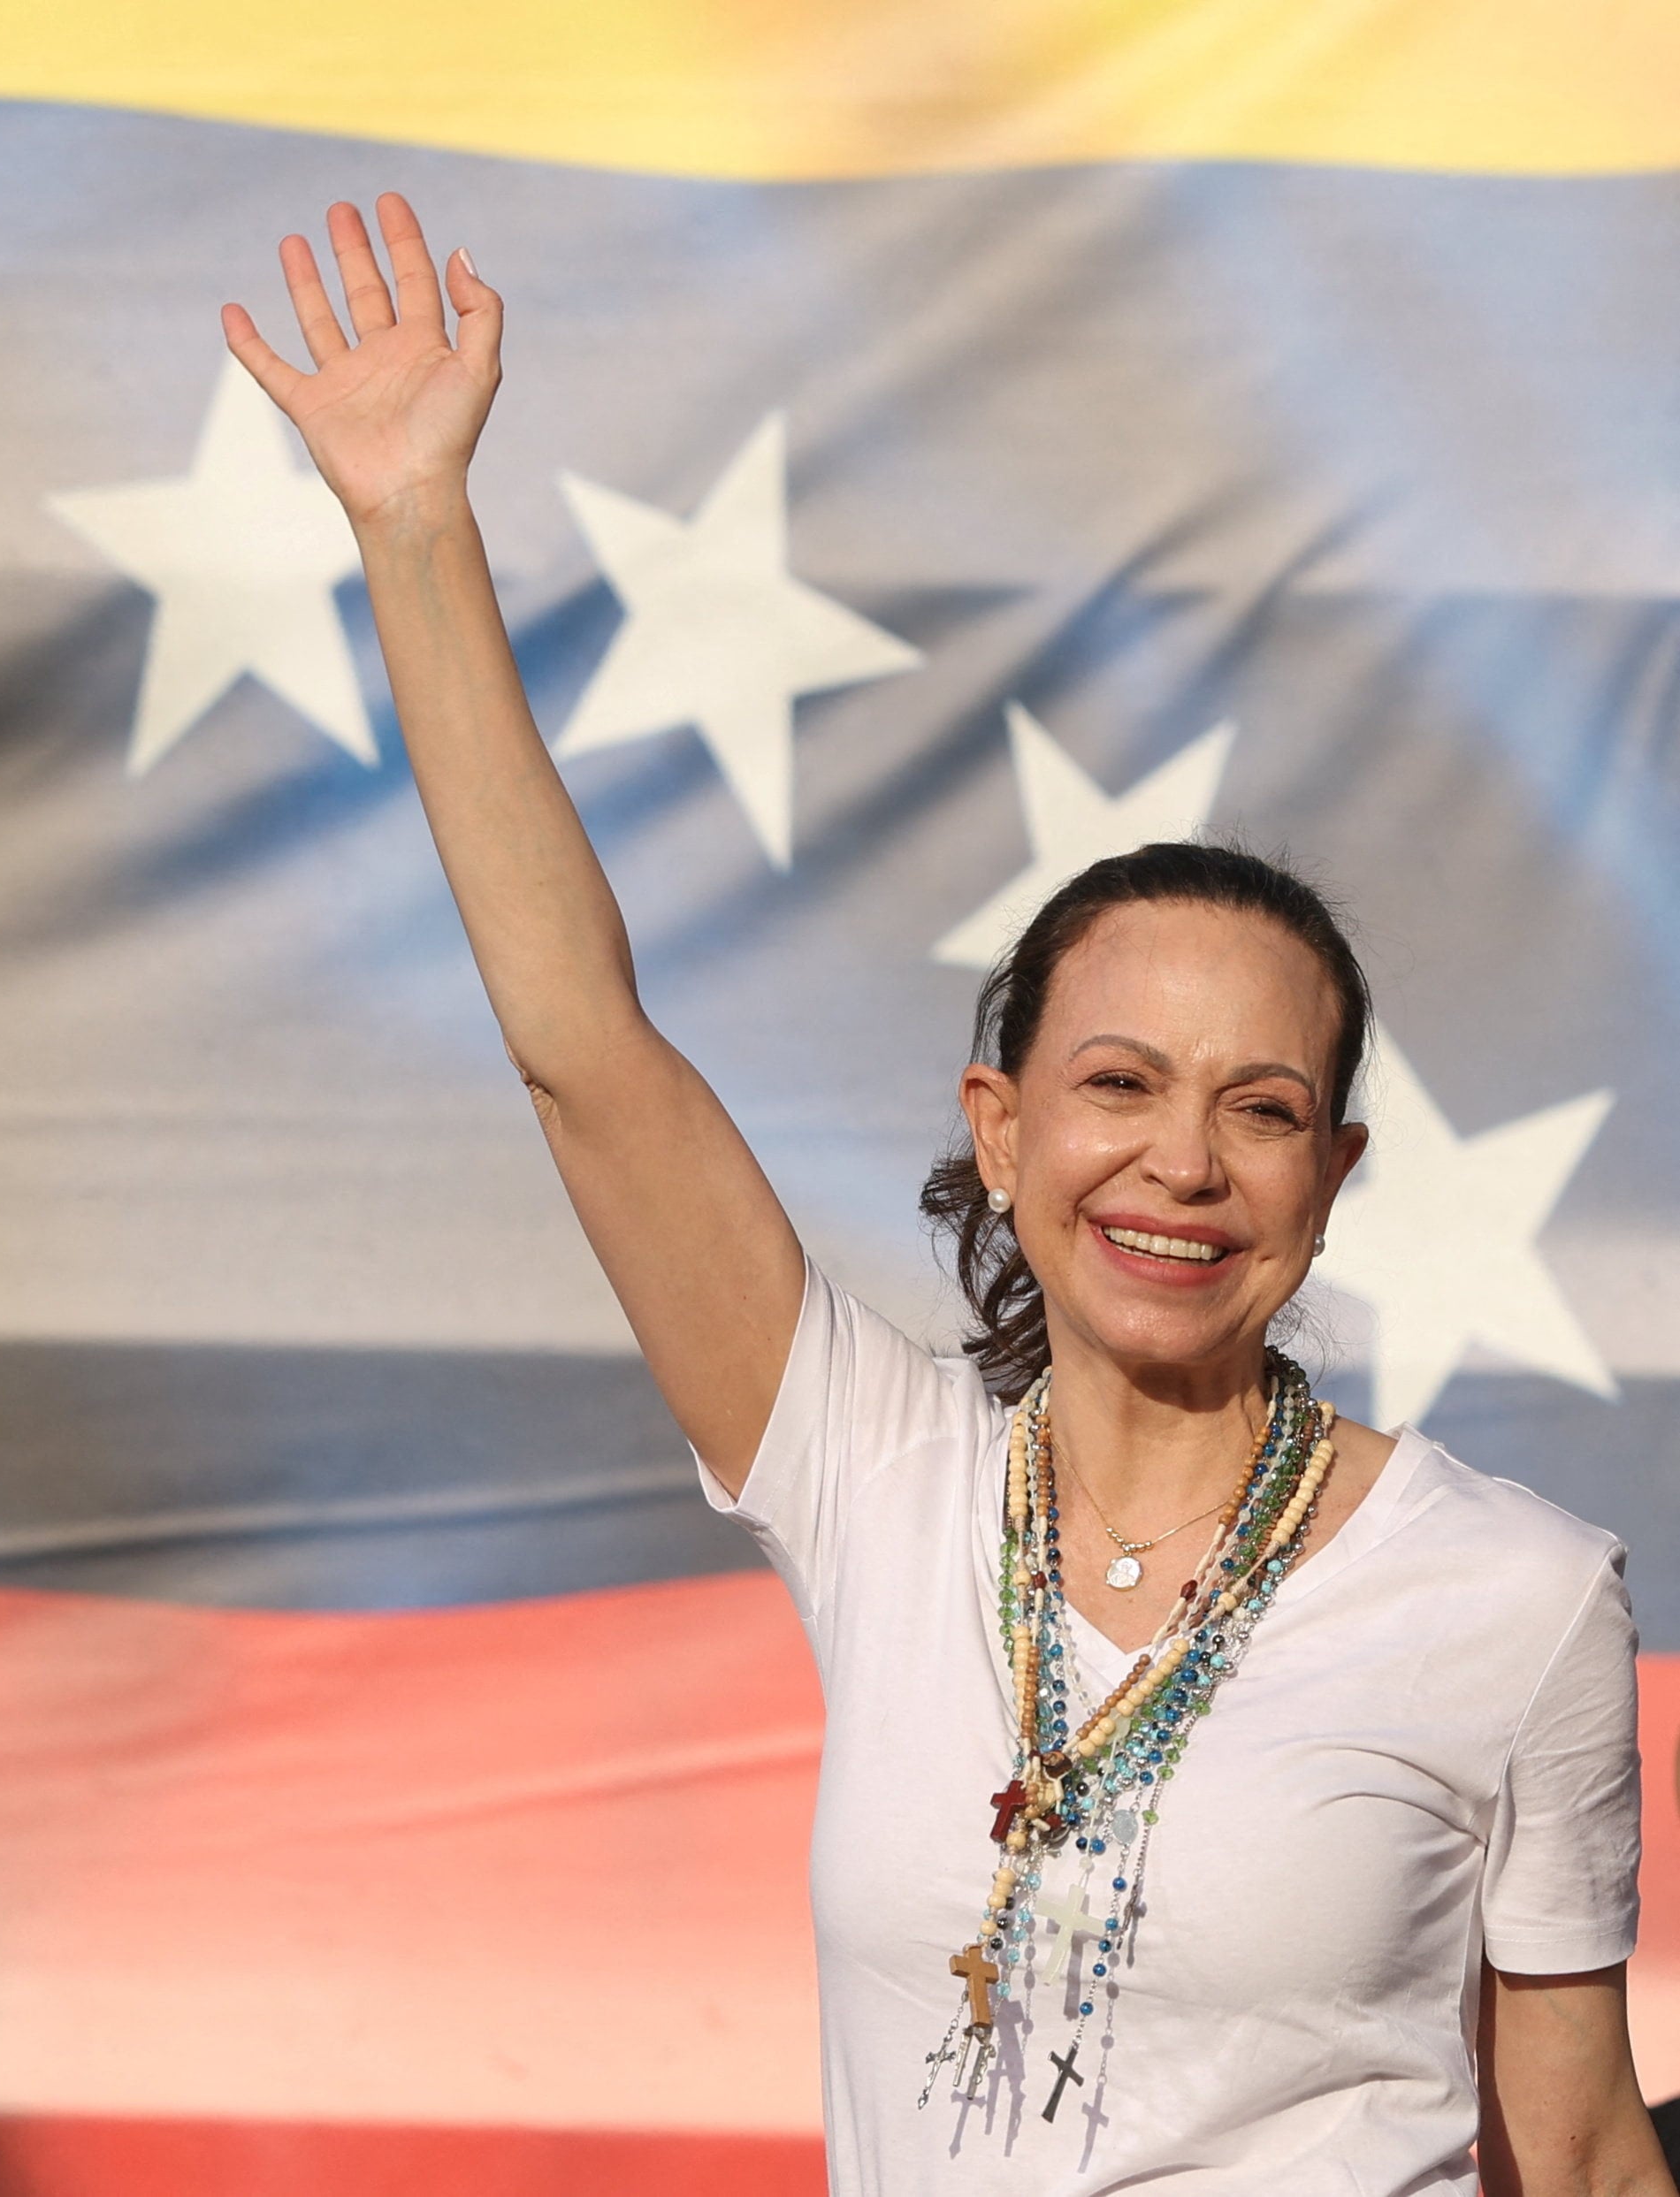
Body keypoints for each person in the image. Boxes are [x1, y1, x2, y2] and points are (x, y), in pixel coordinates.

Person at [224, 192, 1670, 2195]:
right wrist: (414, 530)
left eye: (1260, 1109)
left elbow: (1582, 2154)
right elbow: (587, 1055)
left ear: (1331, 1179)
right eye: (1118, 1085)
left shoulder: (1512, 1598)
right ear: (1001, 1128)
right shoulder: (882, 1476)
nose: (1182, 1158)